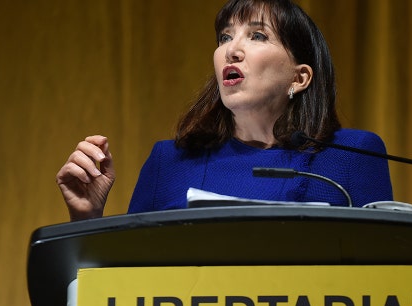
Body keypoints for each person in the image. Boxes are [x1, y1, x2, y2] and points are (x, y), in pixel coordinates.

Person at [56, 0, 393, 221]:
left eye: (257, 35)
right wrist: (87, 217)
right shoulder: (169, 162)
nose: (232, 49)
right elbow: (125, 286)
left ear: (300, 77)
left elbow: (386, 278)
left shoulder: (353, 156)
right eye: (225, 37)